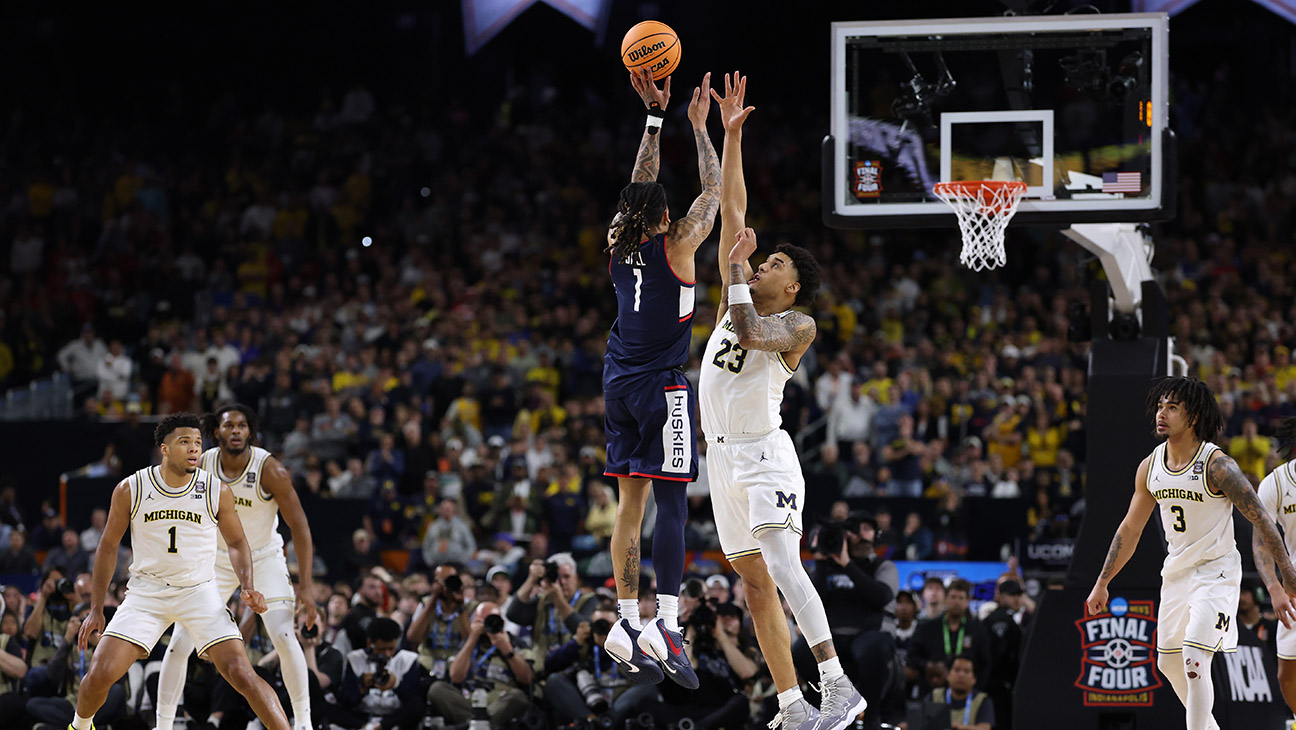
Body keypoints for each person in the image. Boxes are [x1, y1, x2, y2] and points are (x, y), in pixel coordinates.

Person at [697, 70, 862, 730]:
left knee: (781, 563)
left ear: (792, 289)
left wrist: (738, 275)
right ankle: (794, 706)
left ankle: (838, 684)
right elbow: (733, 214)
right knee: (755, 585)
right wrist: (729, 135)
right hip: (722, 464)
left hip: (766, 456)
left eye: (773, 267)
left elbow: (747, 330)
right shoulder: (730, 292)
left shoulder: (797, 326)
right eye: (760, 264)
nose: (760, 265)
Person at [600, 65, 720, 689]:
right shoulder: (681, 244)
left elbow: (636, 186)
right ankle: (665, 621)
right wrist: (700, 128)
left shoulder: (619, 239)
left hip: (617, 383)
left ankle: (624, 619)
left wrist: (654, 116)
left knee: (630, 505)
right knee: (673, 503)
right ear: (666, 217)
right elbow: (716, 191)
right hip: (664, 387)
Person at [1086, 377, 1296, 730]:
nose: (1161, 414)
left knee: (1194, 658)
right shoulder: (1149, 467)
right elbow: (1130, 529)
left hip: (1217, 572)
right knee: (1168, 663)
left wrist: (1285, 572)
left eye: (1172, 407)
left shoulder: (1218, 466)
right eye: (1159, 406)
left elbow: (1262, 519)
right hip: (1177, 572)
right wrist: (1102, 582)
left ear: (1193, 417)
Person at [73, 412, 292, 730]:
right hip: (147, 592)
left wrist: (247, 585)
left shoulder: (216, 490)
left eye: (198, 443)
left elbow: (237, 542)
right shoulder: (130, 488)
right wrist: (96, 608)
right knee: (100, 672)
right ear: (164, 448)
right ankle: (79, 726)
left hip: (199, 591)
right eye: (184, 442)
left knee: (242, 673)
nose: (194, 449)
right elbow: (107, 547)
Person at [155, 404, 318, 730]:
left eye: (242, 425)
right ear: (217, 431)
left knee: (284, 635)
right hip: (214, 557)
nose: (236, 431)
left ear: (250, 432)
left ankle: (303, 723)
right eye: (229, 425)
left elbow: (300, 527)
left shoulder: (270, 469)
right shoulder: (202, 464)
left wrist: (308, 588)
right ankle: (162, 725)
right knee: (181, 639)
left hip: (263, 557)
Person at [426, 601, 534, 727]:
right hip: (468, 701)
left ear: (502, 622)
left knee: (518, 697)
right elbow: (456, 676)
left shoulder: (516, 643)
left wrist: (507, 649)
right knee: (437, 689)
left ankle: (468, 726)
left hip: (500, 702)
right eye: (481, 621)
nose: (486, 626)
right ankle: (480, 725)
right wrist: (472, 639)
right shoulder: (468, 643)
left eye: (491, 620)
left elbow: (527, 679)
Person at [1251, 416, 1296, 713]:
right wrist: (1274, 587)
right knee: (1286, 675)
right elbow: (1260, 543)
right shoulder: (1276, 483)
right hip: (1293, 590)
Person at [337, 617, 425, 730]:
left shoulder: (407, 660)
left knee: (418, 705)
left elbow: (415, 701)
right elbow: (345, 701)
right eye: (382, 649)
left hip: (394, 719)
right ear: (370, 643)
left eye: (391, 649)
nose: (387, 654)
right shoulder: (355, 659)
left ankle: (379, 726)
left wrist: (396, 685)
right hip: (361, 718)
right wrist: (361, 687)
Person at [908, 579, 991, 695]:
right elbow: (912, 655)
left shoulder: (977, 630)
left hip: (967, 694)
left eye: (961, 598)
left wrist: (976, 689)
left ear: (967, 602)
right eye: (953, 597)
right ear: (946, 599)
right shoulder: (926, 628)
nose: (956, 602)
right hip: (933, 692)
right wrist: (928, 666)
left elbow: (985, 663)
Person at [919, 656, 994, 730]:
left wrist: (959, 727)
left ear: (974, 679)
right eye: (957, 670)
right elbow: (921, 723)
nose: (961, 675)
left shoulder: (982, 700)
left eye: (966, 671)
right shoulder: (934, 696)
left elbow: (985, 728)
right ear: (948, 675)